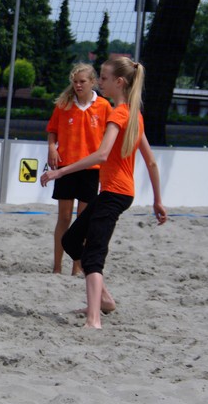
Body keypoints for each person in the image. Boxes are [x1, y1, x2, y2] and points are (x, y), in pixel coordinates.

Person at [40, 57, 167, 329]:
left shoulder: (118, 114)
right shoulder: (134, 114)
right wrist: (157, 200)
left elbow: (101, 154)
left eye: (105, 78)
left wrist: (60, 172)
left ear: (119, 82)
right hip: (118, 192)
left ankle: (94, 319)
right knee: (72, 240)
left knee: (93, 255)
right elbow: (151, 162)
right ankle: (104, 301)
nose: (101, 82)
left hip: (115, 194)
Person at [45, 63, 111, 275]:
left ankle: (76, 268)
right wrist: (52, 148)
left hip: (91, 168)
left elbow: (111, 138)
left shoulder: (104, 106)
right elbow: (52, 130)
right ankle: (57, 267)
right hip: (66, 166)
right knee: (64, 218)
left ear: (93, 82)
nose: (78, 85)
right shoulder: (63, 105)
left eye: (82, 81)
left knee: (82, 221)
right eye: (75, 81)